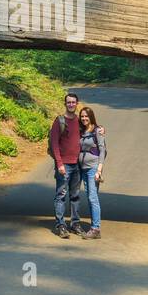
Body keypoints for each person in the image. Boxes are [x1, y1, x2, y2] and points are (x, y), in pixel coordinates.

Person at [48, 93, 84, 238]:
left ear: (77, 103)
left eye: (73, 102)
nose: (71, 104)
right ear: (65, 104)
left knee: (75, 196)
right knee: (61, 195)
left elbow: (90, 130)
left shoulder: (80, 121)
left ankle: (75, 223)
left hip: (78, 165)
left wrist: (101, 130)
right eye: (68, 102)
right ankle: (61, 225)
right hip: (64, 165)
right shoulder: (59, 121)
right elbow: (54, 143)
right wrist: (59, 163)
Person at [76, 106, 106, 239]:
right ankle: (94, 227)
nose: (83, 119)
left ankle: (95, 228)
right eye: (82, 116)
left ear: (91, 117)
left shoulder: (97, 131)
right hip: (81, 168)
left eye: (86, 116)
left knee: (92, 197)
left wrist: (99, 170)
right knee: (89, 197)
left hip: (93, 168)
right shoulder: (81, 131)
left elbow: (102, 150)